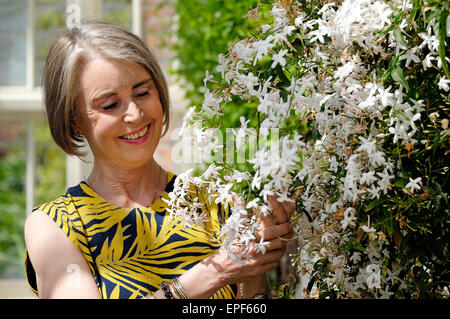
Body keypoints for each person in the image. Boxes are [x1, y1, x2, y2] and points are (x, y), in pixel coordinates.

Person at [24, 21, 294, 299]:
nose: (136, 114)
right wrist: (212, 274)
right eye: (110, 105)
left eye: (143, 93)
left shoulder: (219, 202)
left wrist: (257, 264)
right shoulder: (56, 225)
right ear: (74, 119)